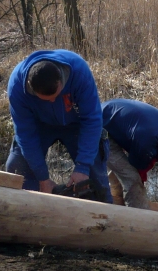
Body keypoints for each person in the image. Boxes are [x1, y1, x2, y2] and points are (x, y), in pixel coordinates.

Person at [6, 49, 112, 203]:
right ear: (30, 87)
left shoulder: (78, 71)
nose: (52, 102)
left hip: (75, 123)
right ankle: (29, 215)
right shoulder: (17, 87)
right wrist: (43, 178)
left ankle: (103, 218)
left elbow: (92, 120)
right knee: (18, 169)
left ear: (61, 80)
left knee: (94, 172)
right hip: (39, 125)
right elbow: (26, 135)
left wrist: (82, 167)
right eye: (46, 99)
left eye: (56, 97)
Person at [102, 98, 158, 209]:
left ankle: (115, 202)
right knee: (132, 179)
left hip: (114, 114)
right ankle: (138, 216)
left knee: (122, 170)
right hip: (98, 127)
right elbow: (137, 174)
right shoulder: (146, 145)